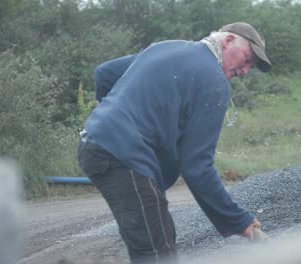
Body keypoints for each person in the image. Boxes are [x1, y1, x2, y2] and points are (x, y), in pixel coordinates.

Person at [77, 22, 271, 264]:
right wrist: (240, 220)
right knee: (155, 255)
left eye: (250, 66)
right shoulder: (214, 81)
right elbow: (197, 167)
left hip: (99, 146)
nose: (245, 71)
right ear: (229, 40)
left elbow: (104, 73)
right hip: (123, 157)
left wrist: (111, 120)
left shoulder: (168, 48)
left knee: (162, 240)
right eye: (247, 58)